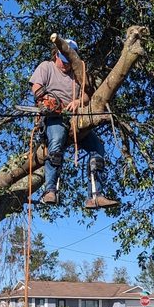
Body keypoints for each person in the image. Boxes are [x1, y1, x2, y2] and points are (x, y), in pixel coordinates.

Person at [29, 40, 119, 209]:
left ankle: (95, 195)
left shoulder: (78, 73)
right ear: (56, 55)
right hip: (54, 117)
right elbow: (36, 87)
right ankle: (50, 191)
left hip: (74, 119)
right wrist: (47, 101)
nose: (65, 65)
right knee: (56, 142)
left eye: (68, 62)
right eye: (63, 61)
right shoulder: (46, 67)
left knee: (97, 148)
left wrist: (78, 102)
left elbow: (86, 96)